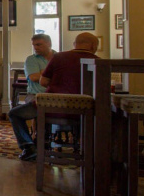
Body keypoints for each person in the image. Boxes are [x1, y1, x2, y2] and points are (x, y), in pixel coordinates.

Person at [9, 32, 99, 161]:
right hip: (83, 110)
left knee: (14, 113)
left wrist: (58, 82)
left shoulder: (59, 57)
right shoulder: (98, 62)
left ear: (74, 44)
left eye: (39, 44)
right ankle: (89, 151)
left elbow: (43, 81)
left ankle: (29, 148)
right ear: (94, 46)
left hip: (51, 106)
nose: (36, 47)